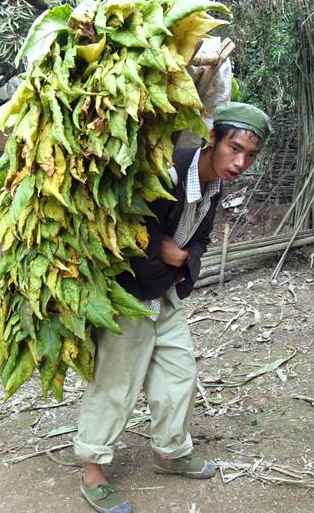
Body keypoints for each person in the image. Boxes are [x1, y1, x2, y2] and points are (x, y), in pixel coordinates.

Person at [75, 102, 272, 513]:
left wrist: (181, 259)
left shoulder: (214, 184)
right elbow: (128, 235)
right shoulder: (165, 171)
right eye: (233, 148)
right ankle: (92, 470)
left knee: (180, 373)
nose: (240, 162)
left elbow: (199, 240)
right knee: (117, 381)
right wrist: (160, 256)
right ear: (212, 139)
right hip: (130, 295)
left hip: (166, 293)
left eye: (250, 156)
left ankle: (171, 451)